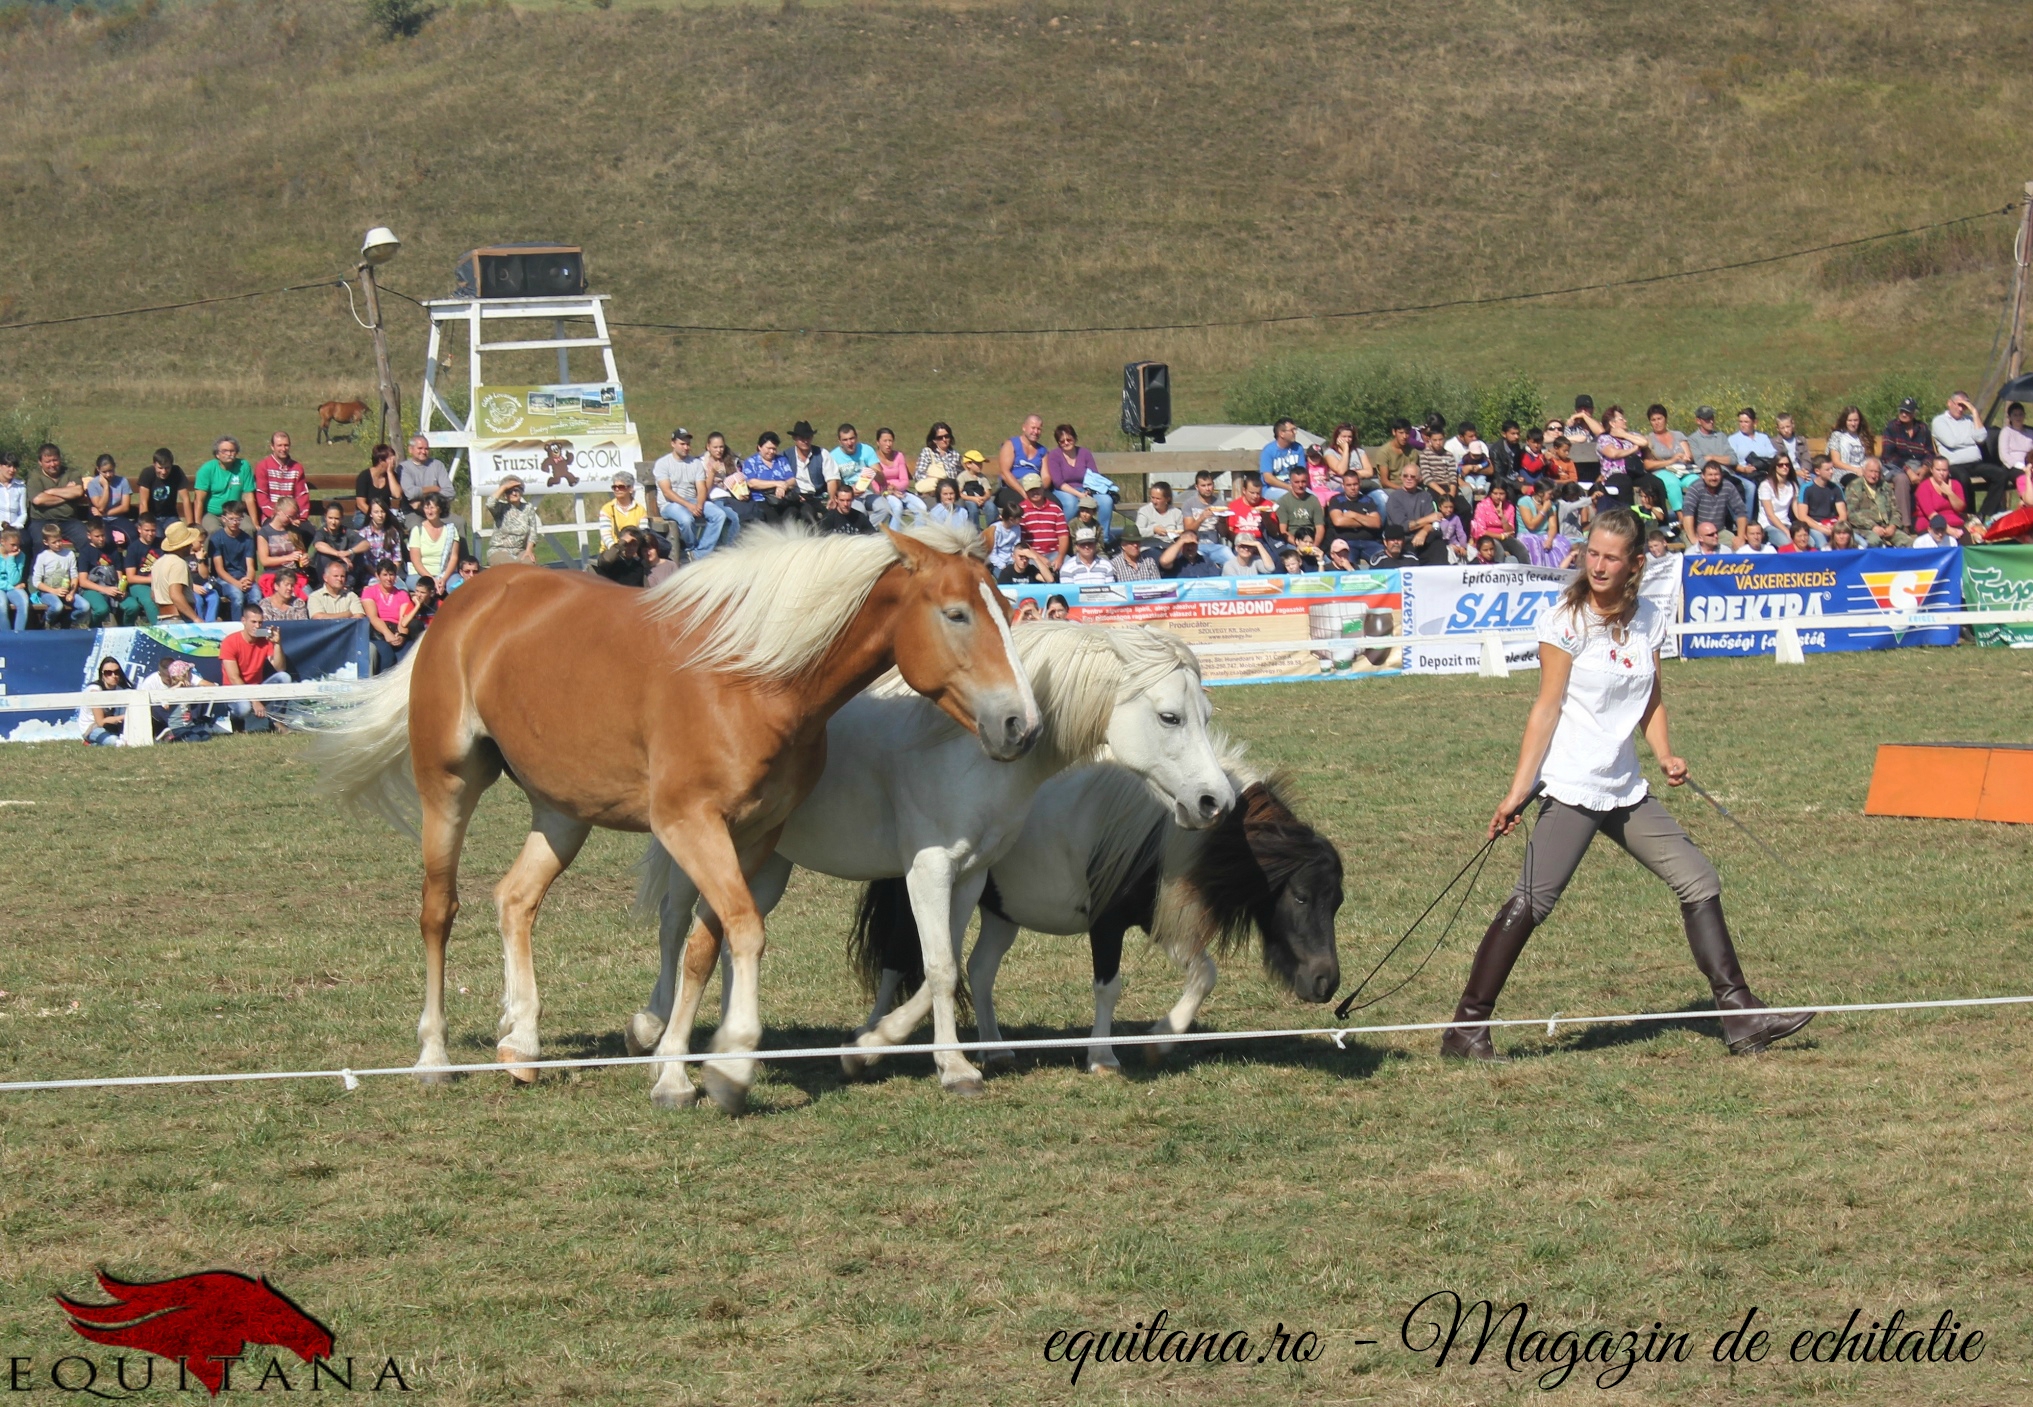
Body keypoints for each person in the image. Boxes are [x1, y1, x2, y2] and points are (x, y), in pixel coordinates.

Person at [1445, 507, 1812, 1063]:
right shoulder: (1563, 621)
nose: (1597, 564)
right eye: (1592, 552)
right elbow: (1544, 710)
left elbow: (1652, 698)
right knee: (1532, 902)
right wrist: (1517, 790)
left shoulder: (1648, 621)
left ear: (1635, 563)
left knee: (1698, 879)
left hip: (1625, 787)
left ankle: (1740, 1014)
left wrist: (1666, 754)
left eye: (1611, 556)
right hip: (1571, 785)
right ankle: (1466, 1029)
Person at [653, 429, 731, 559]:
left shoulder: (695, 463)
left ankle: (699, 553)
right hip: (670, 504)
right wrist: (689, 506)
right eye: (682, 444)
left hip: (692, 500)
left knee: (719, 515)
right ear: (673, 443)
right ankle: (691, 547)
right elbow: (667, 491)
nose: (686, 447)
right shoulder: (663, 463)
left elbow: (701, 488)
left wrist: (699, 504)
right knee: (686, 519)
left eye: (688, 444)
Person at [1931, 391, 2008, 520]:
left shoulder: (1971, 420)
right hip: (1954, 464)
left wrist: (1975, 412)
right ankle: (1968, 514)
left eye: (1965, 406)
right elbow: (1951, 441)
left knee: (2001, 474)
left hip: (1975, 463)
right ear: (1950, 403)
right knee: (1963, 479)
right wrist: (1972, 439)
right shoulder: (1939, 421)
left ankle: (1983, 513)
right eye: (1958, 405)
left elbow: (1982, 438)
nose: (1961, 409)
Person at [220, 602, 294, 732]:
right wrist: (254, 700)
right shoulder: (230, 641)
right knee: (244, 708)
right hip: (234, 691)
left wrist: (277, 644)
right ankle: (236, 720)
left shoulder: (264, 640)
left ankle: (276, 721)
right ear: (243, 621)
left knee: (284, 677)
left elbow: (280, 668)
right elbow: (233, 678)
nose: (257, 626)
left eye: (260, 622)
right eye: (253, 622)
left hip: (257, 688)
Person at [27, 443, 91, 550]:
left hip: (68, 521)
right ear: (40, 462)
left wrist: (51, 491)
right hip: (42, 521)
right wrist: (67, 494)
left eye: (55, 460)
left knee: (86, 539)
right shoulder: (35, 477)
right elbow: (38, 500)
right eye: (48, 461)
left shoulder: (71, 473)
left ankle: (84, 566)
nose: (52, 464)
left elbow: (78, 491)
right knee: (39, 541)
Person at [1384, 462, 1446, 565]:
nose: (1409, 478)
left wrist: (1424, 532)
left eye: (1412, 476)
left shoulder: (1425, 496)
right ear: (1401, 477)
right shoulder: (1394, 498)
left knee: (1438, 543)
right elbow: (1403, 526)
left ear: (1420, 479)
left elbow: (1433, 522)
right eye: (1405, 476)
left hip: (1423, 537)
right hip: (1403, 539)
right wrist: (1427, 520)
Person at [863, 427, 924, 531]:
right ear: (878, 442)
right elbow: (876, 487)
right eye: (885, 441)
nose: (888, 444)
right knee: (897, 506)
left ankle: (918, 536)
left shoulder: (898, 456)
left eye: (890, 441)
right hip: (885, 493)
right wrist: (889, 491)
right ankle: (893, 536)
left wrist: (895, 489)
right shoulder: (873, 459)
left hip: (901, 491)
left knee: (922, 508)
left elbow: (905, 481)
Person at [1678, 460, 1749, 547]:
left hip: (1719, 531)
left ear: (1721, 475)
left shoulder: (1728, 487)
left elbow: (1740, 511)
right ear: (1703, 476)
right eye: (1710, 475)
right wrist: (1693, 538)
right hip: (1696, 531)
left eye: (1716, 474)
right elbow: (1688, 513)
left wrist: (1740, 537)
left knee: (1738, 548)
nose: (1714, 478)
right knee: (1695, 553)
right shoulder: (1695, 488)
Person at [151, 522, 210, 625]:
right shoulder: (179, 563)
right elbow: (175, 594)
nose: (191, 545)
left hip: (162, 619)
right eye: (189, 543)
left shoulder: (158, 563)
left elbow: (153, 595)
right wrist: (195, 618)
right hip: (178, 620)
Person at [192, 437, 256, 531]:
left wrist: (255, 523)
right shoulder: (207, 469)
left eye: (232, 451)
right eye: (224, 451)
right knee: (213, 530)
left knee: (249, 528)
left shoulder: (244, 466)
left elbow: (249, 497)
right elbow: (199, 500)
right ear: (217, 454)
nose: (229, 454)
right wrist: (198, 526)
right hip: (213, 514)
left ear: (236, 452)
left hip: (236, 514)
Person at [71, 520, 127, 627]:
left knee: (131, 606)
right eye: (97, 536)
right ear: (89, 535)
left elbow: (119, 573)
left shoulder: (112, 549)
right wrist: (105, 590)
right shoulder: (85, 552)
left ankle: (125, 629)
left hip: (112, 586)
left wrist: (122, 589)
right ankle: (93, 628)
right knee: (102, 609)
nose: (101, 539)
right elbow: (83, 581)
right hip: (91, 589)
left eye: (103, 535)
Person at [1845, 457, 1910, 548]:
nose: (1873, 475)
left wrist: (1893, 526)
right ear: (1863, 471)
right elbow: (1852, 514)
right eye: (1871, 471)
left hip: (1887, 528)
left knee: (1907, 542)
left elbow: (1896, 510)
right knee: (1875, 541)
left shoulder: (1885, 486)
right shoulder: (1854, 486)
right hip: (1864, 529)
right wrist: (1873, 526)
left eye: (1876, 472)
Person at [31, 521, 83, 625]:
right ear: (46, 542)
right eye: (54, 542)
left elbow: (74, 575)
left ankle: (67, 621)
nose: (58, 544)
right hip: (48, 592)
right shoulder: (43, 557)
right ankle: (48, 621)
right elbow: (36, 582)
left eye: (59, 541)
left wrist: (71, 593)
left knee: (84, 607)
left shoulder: (69, 554)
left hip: (66, 591)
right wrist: (54, 591)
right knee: (57, 606)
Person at [1327, 468, 1384, 563]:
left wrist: (1354, 515)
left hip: (1370, 542)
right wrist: (1366, 520)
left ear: (1359, 484)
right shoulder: (1336, 500)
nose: (1353, 488)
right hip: (1347, 543)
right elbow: (1339, 522)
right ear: (1343, 486)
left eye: (1355, 484)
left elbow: (1376, 523)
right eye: (1349, 485)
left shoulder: (1368, 500)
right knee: (1347, 564)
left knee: (1384, 560)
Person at [253, 431, 309, 525]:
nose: (283, 449)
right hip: (271, 516)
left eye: (286, 445)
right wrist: (279, 516)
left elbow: (301, 495)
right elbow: (262, 496)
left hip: (294, 516)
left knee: (309, 532)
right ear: (272, 446)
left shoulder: (297, 467)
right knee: (273, 531)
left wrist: (298, 517)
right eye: (279, 445)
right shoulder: (263, 466)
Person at [362, 559, 409, 671]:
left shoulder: (402, 594)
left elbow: (404, 618)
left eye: (391, 575)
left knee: (406, 657)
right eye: (385, 575)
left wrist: (402, 636)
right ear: (378, 576)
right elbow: (373, 617)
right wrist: (387, 634)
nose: (389, 578)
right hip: (378, 632)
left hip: (397, 630)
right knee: (387, 657)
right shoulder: (369, 592)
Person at [1913, 456, 1974, 542]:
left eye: (1944, 470)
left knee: (1967, 544)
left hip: (1955, 523)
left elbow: (1960, 508)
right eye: (1938, 470)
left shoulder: (1956, 484)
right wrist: (1948, 529)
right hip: (1932, 525)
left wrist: (1950, 493)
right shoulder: (1924, 487)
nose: (1941, 473)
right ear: (1931, 470)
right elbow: (1930, 514)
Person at [1018, 473, 1069, 574]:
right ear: (1025, 491)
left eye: (1037, 488)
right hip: (1031, 554)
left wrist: (1060, 557)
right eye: (1031, 490)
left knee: (1069, 566)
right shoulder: (1020, 510)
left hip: (1054, 552)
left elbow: (1063, 536)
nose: (1035, 492)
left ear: (1042, 488)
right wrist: (1038, 557)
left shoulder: (1055, 509)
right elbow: (1021, 540)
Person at [486, 478, 544, 567]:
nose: (514, 493)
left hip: (520, 551)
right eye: (509, 491)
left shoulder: (528, 508)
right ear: (505, 495)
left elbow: (533, 533)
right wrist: (504, 487)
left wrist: (529, 550)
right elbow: (489, 503)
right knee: (510, 567)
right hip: (499, 550)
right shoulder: (500, 508)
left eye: (517, 490)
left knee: (530, 565)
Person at [398, 435, 456, 524]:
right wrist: (434, 489)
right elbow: (410, 493)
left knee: (459, 522)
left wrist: (426, 503)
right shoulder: (404, 468)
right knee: (417, 527)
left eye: (426, 449)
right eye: (420, 448)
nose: (424, 452)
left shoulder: (437, 465)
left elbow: (450, 492)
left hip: (437, 511)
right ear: (411, 449)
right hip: (413, 513)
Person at [995, 414, 1051, 506]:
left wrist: (1039, 490)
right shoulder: (1011, 444)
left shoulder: (1042, 451)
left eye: (1039, 429)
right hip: (1012, 487)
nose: (1036, 432)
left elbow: (1046, 477)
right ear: (1024, 427)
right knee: (1022, 505)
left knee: (1055, 504)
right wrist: (1023, 493)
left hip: (1035, 486)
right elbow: (1004, 472)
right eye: (1033, 428)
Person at [1470, 480, 1530, 563]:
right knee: (1498, 550)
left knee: (1521, 550)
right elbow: (1481, 531)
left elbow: (1511, 532)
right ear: (1490, 493)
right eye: (1495, 493)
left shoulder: (1509, 507)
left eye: (1501, 494)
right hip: (1488, 538)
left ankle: (1525, 572)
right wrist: (1501, 536)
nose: (1498, 497)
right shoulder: (1482, 506)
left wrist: (1502, 517)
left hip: (1505, 538)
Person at [118, 514, 163, 624]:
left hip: (161, 582)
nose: (150, 534)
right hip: (139, 585)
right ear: (139, 529)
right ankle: (159, 629)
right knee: (150, 600)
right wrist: (153, 579)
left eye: (153, 530)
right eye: (147, 530)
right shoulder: (133, 548)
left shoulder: (161, 544)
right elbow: (131, 577)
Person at [256, 500, 310, 590]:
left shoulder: (294, 531)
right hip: (273, 574)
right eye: (289, 517)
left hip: (293, 574)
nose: (292, 520)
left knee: (307, 592)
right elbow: (265, 561)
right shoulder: (264, 532)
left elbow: (301, 552)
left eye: (294, 517)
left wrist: (305, 559)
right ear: (278, 511)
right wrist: (288, 558)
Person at [1518, 478, 1571, 568]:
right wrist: (1544, 509)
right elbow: (1531, 525)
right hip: (1528, 535)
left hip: (1545, 535)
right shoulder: (1524, 501)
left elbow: (1553, 526)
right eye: (1549, 494)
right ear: (1540, 493)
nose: (1551, 497)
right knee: (1535, 545)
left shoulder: (1551, 505)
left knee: (1562, 543)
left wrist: (1550, 540)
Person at [310, 502, 368, 586]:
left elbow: (366, 544)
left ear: (342, 518)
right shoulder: (322, 532)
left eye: (336, 518)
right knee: (322, 556)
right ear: (325, 517)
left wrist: (348, 552)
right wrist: (338, 554)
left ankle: (348, 586)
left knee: (359, 553)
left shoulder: (346, 531)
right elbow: (318, 545)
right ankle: (327, 584)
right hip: (328, 566)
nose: (333, 522)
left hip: (345, 566)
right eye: (330, 518)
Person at [408, 493, 461, 583]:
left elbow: (453, 558)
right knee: (424, 588)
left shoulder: (451, 530)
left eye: (432, 508)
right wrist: (431, 580)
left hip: (445, 574)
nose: (429, 511)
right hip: (421, 575)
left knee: (457, 585)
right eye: (426, 508)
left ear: (439, 509)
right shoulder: (417, 530)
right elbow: (416, 561)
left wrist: (443, 579)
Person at [1274, 469, 1326, 559]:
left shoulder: (1313, 500)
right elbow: (1283, 531)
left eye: (1303, 482)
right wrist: (1299, 544)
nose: (1300, 485)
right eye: (1296, 482)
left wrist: (1313, 545)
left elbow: (1320, 527)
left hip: (1311, 541)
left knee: (1326, 562)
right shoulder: (1283, 501)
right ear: (1291, 482)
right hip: (1293, 542)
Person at [80, 657, 131, 745]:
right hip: (92, 727)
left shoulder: (120, 689)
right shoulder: (94, 690)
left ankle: (94, 744)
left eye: (116, 672)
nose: (113, 676)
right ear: (102, 675)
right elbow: (100, 722)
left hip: (112, 726)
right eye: (108, 673)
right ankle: (90, 741)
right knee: (113, 741)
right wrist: (124, 717)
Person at [1797, 457, 1846, 547]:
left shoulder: (1836, 488)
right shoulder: (1806, 488)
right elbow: (1802, 516)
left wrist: (1836, 527)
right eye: (1827, 469)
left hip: (1834, 524)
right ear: (1817, 471)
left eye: (1832, 469)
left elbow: (1842, 513)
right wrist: (1821, 528)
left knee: (1860, 543)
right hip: (1815, 525)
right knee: (1822, 544)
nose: (1831, 472)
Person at [354, 442, 407, 526]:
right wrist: (375, 515)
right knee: (364, 524)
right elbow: (360, 503)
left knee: (396, 526)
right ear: (381, 461)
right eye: (390, 458)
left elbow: (397, 495)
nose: (393, 461)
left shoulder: (392, 476)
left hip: (384, 514)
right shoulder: (364, 476)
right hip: (365, 513)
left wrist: (390, 473)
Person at [1755, 455, 1800, 542]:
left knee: (1810, 541)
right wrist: (1786, 531)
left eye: (1787, 465)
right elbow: (1770, 515)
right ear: (1775, 467)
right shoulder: (1765, 486)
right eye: (1781, 465)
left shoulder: (1793, 485)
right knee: (1787, 542)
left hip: (1786, 523)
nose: (1784, 467)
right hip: (1768, 525)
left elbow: (1796, 510)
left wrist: (1803, 527)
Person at [85, 454, 134, 535]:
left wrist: (105, 514)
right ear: (98, 469)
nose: (108, 475)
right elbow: (100, 507)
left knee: (132, 534)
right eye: (104, 472)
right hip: (99, 520)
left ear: (114, 467)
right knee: (107, 538)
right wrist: (106, 487)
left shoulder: (123, 481)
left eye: (110, 471)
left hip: (117, 517)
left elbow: (125, 507)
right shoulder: (93, 484)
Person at [1228, 472, 1281, 545]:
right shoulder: (1234, 505)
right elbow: (1230, 530)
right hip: (1241, 540)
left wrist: (1266, 518)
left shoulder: (1267, 505)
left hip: (1262, 540)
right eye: (1252, 493)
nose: (1255, 496)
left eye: (1258, 493)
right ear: (1244, 490)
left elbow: (1275, 533)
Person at [1257, 418, 1306, 497]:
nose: (1295, 433)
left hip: (1296, 486)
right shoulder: (1268, 450)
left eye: (1295, 429)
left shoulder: (1298, 448)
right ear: (1282, 433)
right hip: (1271, 488)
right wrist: (1288, 487)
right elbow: (1268, 478)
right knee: (1289, 498)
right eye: (1292, 430)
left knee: (1314, 497)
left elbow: (1302, 472)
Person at [1416, 413, 1459, 497]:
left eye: (1440, 440)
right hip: (1434, 487)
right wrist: (1443, 494)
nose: (1438, 443)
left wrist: (1452, 494)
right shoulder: (1425, 455)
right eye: (1435, 440)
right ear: (1429, 439)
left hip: (1448, 485)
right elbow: (1427, 477)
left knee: (1464, 508)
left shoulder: (1449, 455)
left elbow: (1453, 476)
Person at [1826, 407, 1873, 482]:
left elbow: (1869, 459)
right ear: (1845, 421)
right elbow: (1835, 462)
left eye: (1856, 420)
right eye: (1850, 420)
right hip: (1843, 472)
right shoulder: (1837, 436)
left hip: (1863, 471)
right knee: (1856, 481)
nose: (1853, 423)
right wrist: (1856, 470)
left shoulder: (1864, 437)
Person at [1158, 528, 1222, 578]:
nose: (1190, 548)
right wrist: (1182, 540)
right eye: (1186, 544)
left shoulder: (1207, 561)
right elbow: (1164, 561)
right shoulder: (1174, 561)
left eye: (1193, 544)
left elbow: (1215, 582)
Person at [1371, 419, 1415, 488]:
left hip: (1409, 486)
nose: (1404, 436)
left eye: (1407, 433)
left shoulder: (1412, 451)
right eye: (1401, 433)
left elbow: (1414, 475)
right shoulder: (1384, 452)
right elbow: (1384, 481)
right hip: (1390, 487)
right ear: (1394, 432)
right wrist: (1401, 489)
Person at [1136, 481, 1184, 545]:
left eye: (1158, 499)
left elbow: (1181, 532)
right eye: (1152, 497)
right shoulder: (1144, 511)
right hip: (1150, 547)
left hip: (1170, 546)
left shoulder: (1177, 513)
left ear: (1167, 499)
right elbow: (1137, 531)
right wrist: (1153, 530)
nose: (1154, 501)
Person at [0, 527, 27, 631]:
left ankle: (19, 635)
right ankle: (6, 637)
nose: (16, 548)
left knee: (23, 602)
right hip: (5, 587)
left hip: (13, 587)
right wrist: (11, 586)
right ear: (2, 541)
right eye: (13, 545)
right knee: (1, 605)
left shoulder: (20, 556)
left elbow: (14, 580)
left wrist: (11, 559)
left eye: (18, 545)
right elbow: (13, 584)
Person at [0, 453, 24, 533]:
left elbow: (23, 513)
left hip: (15, 528)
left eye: (14, 467)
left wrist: (14, 526)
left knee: (27, 541)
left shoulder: (21, 486)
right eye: (9, 466)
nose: (12, 470)